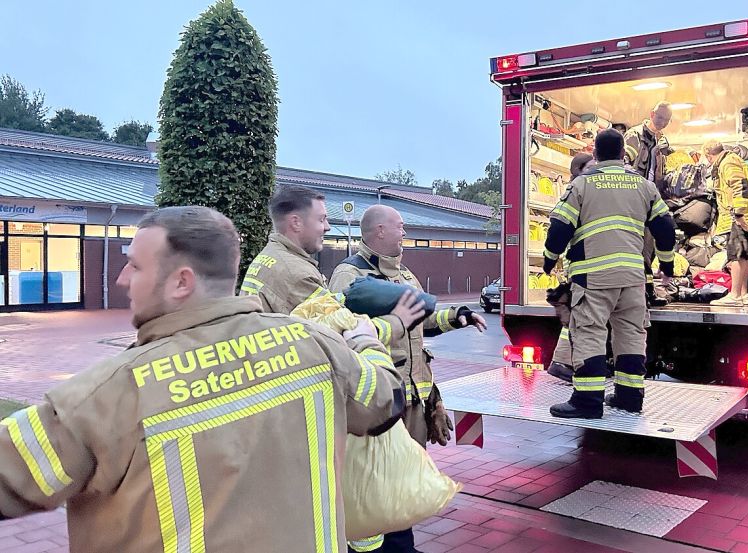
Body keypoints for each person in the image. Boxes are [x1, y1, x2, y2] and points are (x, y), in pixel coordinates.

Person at [0, 206, 405, 552]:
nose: (123, 279)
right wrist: (366, 343)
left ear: (182, 282)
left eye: (135, 265)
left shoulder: (111, 392)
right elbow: (384, 401)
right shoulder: (314, 346)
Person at [329, 204, 487, 553]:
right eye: (400, 227)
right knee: (378, 482)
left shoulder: (404, 275)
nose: (405, 233)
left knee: (402, 480)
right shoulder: (350, 277)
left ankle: (400, 543)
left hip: (413, 399)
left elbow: (423, 320)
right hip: (381, 400)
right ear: (380, 231)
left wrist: (457, 316)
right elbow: (344, 336)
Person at [542, 129, 676, 419]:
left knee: (590, 332)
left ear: (596, 155)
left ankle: (588, 402)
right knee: (630, 333)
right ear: (622, 155)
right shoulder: (643, 185)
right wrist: (666, 266)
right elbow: (665, 226)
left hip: (593, 279)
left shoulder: (582, 185)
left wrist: (549, 260)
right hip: (632, 278)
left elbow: (560, 227)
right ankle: (629, 397)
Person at [240, 183, 422, 348]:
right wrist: (398, 320)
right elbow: (342, 333)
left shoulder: (271, 256)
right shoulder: (296, 273)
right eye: (321, 219)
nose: (327, 227)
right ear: (296, 223)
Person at [547, 152, 594, 383]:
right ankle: (563, 362)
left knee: (576, 319)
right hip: (578, 265)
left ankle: (564, 362)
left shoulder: (580, 190)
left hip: (579, 265)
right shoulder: (577, 192)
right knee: (578, 318)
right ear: (578, 170)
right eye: (590, 167)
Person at [702, 140, 748, 307]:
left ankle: (734, 295)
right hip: (746, 216)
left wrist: (739, 212)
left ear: (708, 155)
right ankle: (743, 294)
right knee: (743, 256)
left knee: (735, 256)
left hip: (739, 216)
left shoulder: (727, 163)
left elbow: (739, 186)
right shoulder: (733, 160)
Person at [624, 101, 674, 185]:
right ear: (652, 114)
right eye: (660, 118)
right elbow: (623, 163)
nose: (663, 123)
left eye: (667, 120)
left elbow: (663, 170)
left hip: (653, 192)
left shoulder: (663, 142)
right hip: (636, 190)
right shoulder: (635, 135)